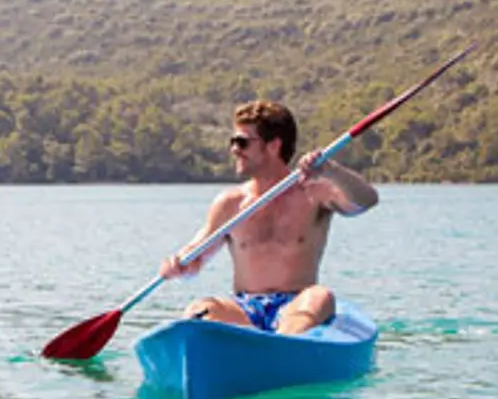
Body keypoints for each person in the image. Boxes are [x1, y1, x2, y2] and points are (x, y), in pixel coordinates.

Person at [158, 99, 378, 334]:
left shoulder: (315, 193)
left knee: (319, 296)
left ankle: (284, 346)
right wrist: (177, 263)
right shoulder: (230, 204)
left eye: (242, 143)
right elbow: (196, 255)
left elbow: (365, 201)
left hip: (297, 303)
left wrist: (331, 170)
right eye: (233, 142)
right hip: (246, 309)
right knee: (200, 309)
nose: (234, 150)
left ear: (274, 146)